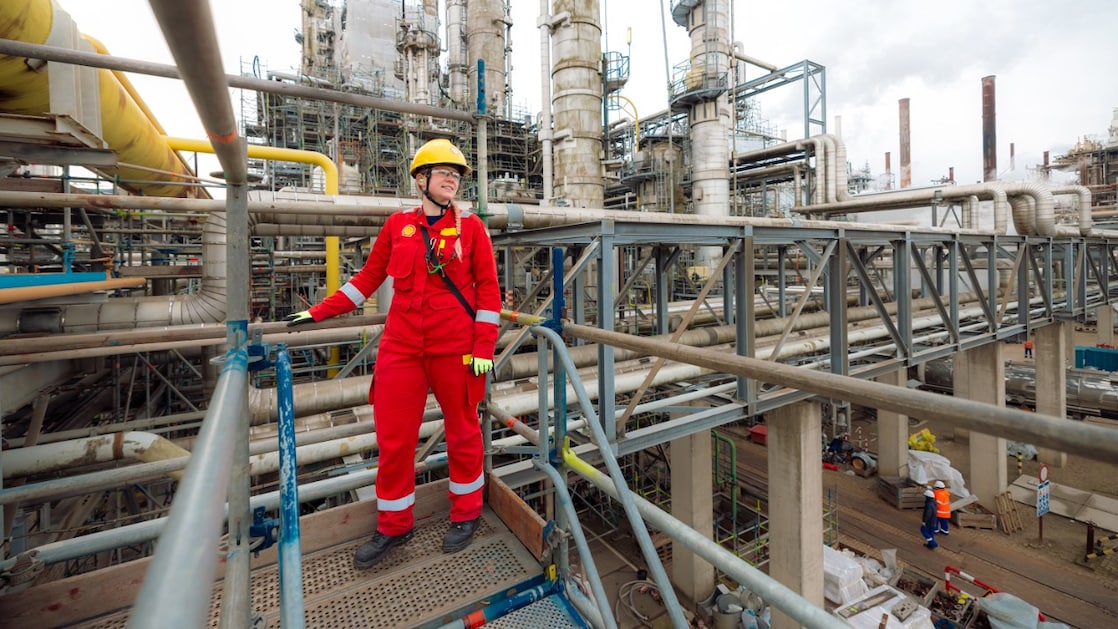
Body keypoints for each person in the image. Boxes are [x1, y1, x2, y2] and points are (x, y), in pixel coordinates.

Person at [284, 139, 501, 568]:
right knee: (394, 440)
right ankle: (394, 524)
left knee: (462, 431)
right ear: (420, 179)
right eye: (443, 173)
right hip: (402, 348)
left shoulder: (472, 228)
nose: (451, 180)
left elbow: (489, 290)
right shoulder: (397, 225)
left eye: (456, 175)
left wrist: (483, 347)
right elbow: (367, 277)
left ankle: (467, 512)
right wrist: (319, 311)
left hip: (455, 348)